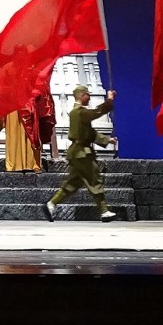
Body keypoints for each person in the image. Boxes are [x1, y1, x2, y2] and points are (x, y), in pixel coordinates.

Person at [45, 85, 117, 222]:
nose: (89, 98)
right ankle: (104, 211)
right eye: (87, 95)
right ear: (81, 96)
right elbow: (96, 113)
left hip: (77, 153)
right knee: (94, 179)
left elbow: (89, 133)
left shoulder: (77, 113)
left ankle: (51, 204)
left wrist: (107, 140)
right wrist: (109, 101)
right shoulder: (80, 112)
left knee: (73, 183)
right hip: (82, 153)